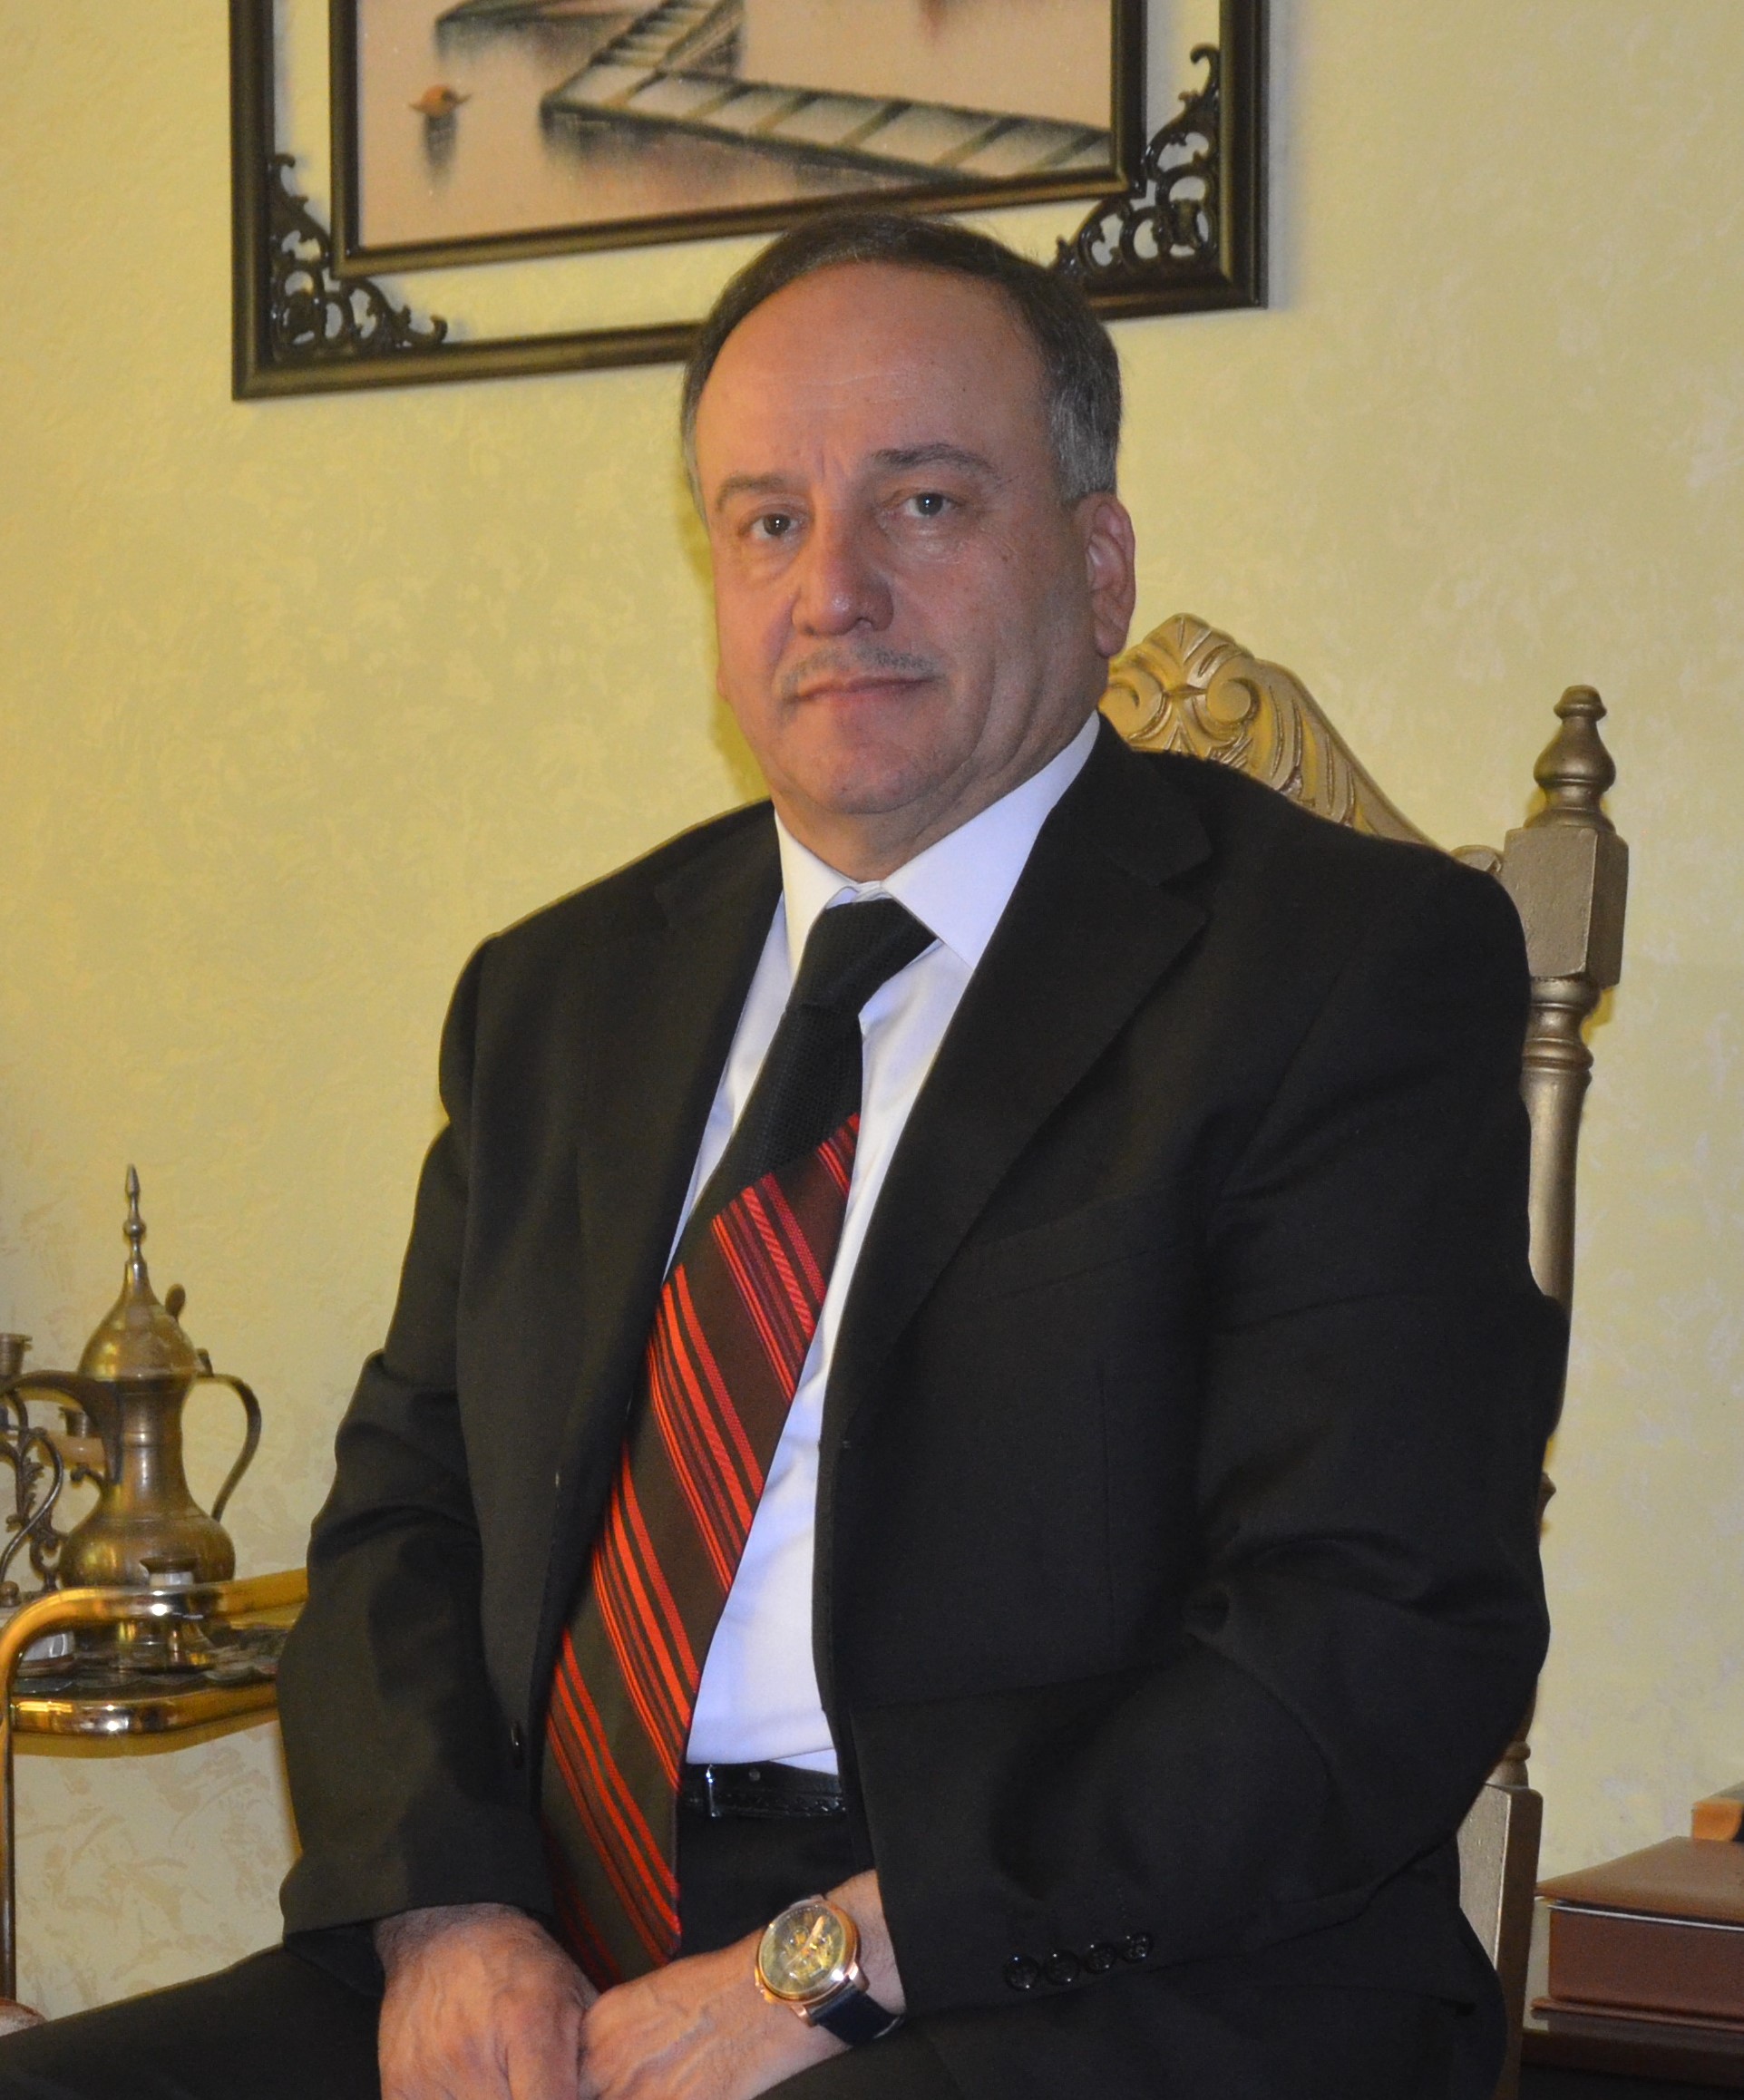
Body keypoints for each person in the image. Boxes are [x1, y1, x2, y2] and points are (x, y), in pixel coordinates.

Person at [0, 210, 1563, 2100]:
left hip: (1074, 1963)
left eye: (923, 503)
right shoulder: (556, 995)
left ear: (1096, 564)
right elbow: (405, 1524)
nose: (832, 590)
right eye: (766, 521)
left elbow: (1372, 1629)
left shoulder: (1332, 971)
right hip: (556, 1929)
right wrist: (446, 1910)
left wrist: (832, 1959)